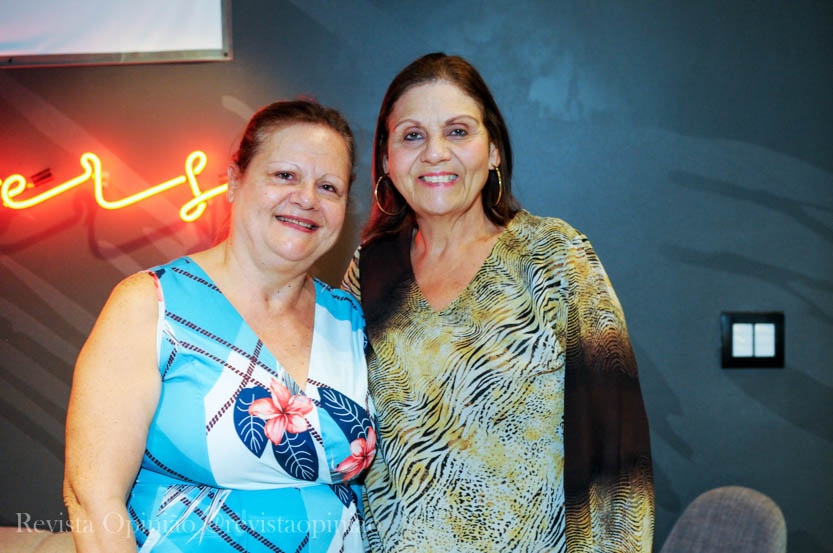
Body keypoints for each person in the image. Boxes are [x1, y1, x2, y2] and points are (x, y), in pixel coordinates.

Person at [342, 53, 654, 552]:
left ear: (492, 151)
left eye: (458, 132)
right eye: (412, 135)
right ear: (385, 159)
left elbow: (617, 449)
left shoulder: (553, 256)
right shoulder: (370, 271)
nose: (435, 153)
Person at [64, 100, 376, 553]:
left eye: (328, 187)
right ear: (234, 181)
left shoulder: (351, 320)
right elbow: (92, 500)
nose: (307, 198)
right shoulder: (151, 305)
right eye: (284, 175)